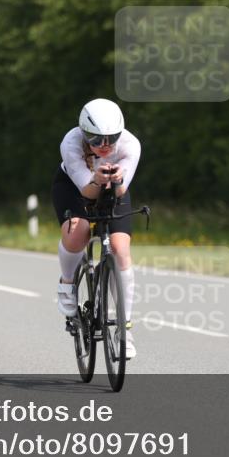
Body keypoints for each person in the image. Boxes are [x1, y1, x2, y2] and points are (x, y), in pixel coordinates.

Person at [52, 98, 141, 359]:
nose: (104, 146)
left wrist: (114, 180)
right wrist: (96, 178)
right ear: (83, 133)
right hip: (74, 187)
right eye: (95, 139)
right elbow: (86, 190)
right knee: (78, 233)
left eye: (110, 138)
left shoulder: (130, 144)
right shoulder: (71, 142)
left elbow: (121, 190)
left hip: (113, 187)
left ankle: (125, 330)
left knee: (119, 248)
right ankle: (67, 283)